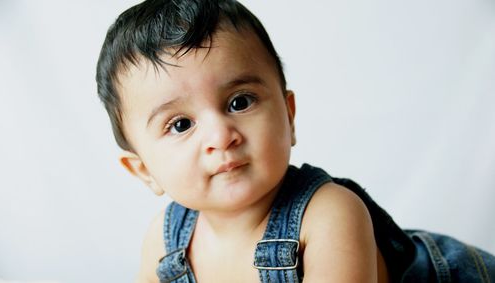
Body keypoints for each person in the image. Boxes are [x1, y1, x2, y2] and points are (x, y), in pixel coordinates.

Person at [95, 0, 495, 282]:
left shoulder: (329, 215)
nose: (220, 136)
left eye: (239, 102)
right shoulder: (165, 242)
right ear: (144, 170)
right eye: (181, 125)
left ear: (288, 115)